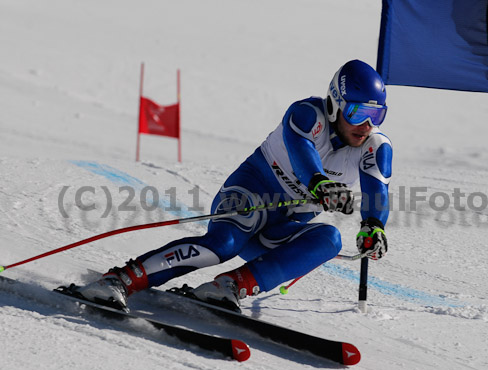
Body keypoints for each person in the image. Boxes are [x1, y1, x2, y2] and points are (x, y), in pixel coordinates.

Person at [78, 59, 393, 311]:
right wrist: (320, 184)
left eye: (376, 114)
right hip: (251, 195)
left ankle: (228, 287)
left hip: (280, 229)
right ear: (337, 104)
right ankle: (118, 281)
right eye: (358, 112)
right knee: (223, 245)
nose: (367, 125)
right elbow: (302, 154)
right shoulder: (308, 115)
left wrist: (373, 226)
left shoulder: (375, 147)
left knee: (330, 239)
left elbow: (376, 191)